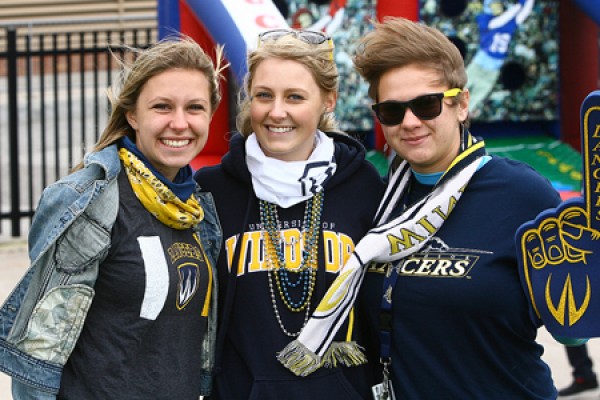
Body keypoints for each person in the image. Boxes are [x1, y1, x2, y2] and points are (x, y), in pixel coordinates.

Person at [278, 17, 571, 399]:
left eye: (427, 104)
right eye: (392, 111)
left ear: (461, 104)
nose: (410, 122)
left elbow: (572, 331)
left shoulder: (522, 194)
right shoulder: (378, 200)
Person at [0, 37, 225, 399]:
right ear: (133, 114)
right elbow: (39, 351)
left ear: (210, 115)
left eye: (194, 107)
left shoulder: (199, 210)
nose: (179, 123)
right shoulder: (87, 201)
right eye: (162, 107)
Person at [194, 28, 385, 399]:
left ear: (328, 100)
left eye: (295, 97)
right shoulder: (212, 190)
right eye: (264, 95)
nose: (276, 112)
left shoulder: (364, 186)